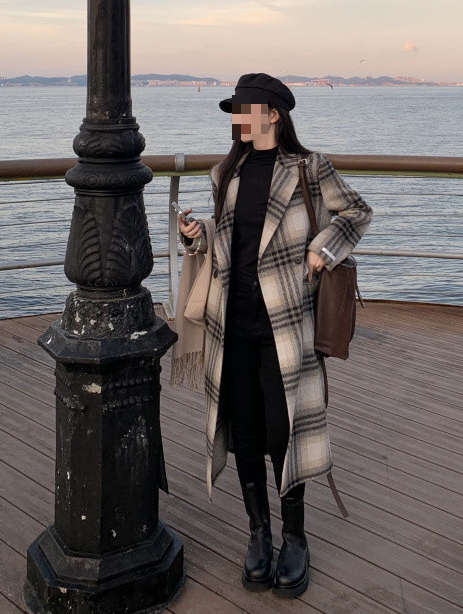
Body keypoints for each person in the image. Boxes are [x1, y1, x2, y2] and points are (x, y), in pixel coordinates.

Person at [175, 72, 372, 597]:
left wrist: (322, 250)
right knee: (244, 430)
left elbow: (357, 211)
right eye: (234, 111)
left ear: (273, 115)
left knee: (286, 430)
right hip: (230, 323)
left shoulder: (308, 168)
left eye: (244, 109)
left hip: (285, 324)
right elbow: (228, 243)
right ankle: (258, 534)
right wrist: (196, 236)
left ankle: (295, 538)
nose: (237, 119)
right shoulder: (224, 173)